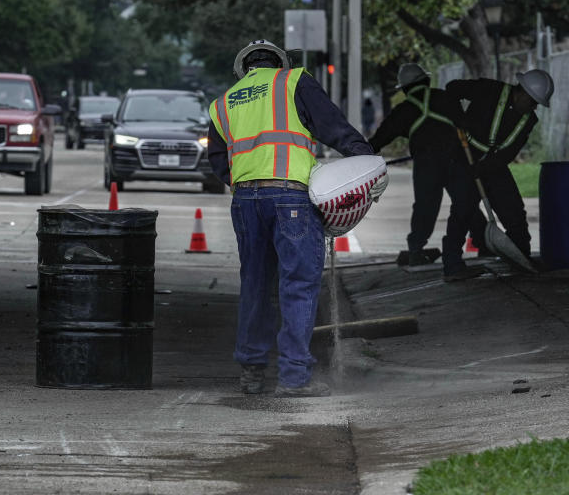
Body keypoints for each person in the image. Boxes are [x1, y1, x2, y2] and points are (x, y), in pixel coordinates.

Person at [207, 40, 386, 397]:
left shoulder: (223, 103)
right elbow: (332, 127)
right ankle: (294, 376)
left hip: (245, 200)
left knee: (255, 284)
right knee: (298, 284)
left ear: (245, 69)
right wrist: (364, 160)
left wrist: (247, 184)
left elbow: (218, 162)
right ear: (280, 63)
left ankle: (252, 372)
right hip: (291, 195)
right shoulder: (294, 81)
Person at [368, 64, 486, 280]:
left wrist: (362, 154)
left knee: (425, 205)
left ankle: (416, 251)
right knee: (465, 203)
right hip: (455, 158)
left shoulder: (403, 111)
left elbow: (380, 138)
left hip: (426, 163)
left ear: (404, 88)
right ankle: (485, 243)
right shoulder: (445, 98)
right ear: (426, 81)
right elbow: (464, 124)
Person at [446, 69, 554, 261]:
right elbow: (452, 88)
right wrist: (457, 116)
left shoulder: (528, 120)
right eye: (533, 102)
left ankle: (520, 257)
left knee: (513, 211)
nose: (534, 107)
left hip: (493, 165)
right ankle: (452, 263)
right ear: (522, 93)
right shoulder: (488, 89)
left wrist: (484, 168)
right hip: (465, 157)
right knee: (463, 210)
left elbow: (508, 153)